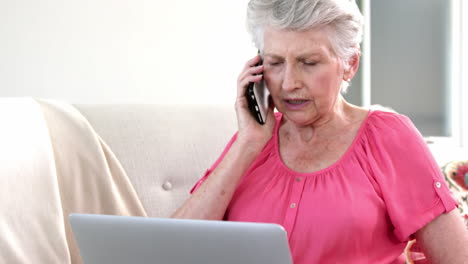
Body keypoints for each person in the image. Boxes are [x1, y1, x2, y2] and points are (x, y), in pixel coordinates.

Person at [172, 0, 468, 263]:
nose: (289, 83)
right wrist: (248, 143)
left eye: (308, 63)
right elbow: (173, 250)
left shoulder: (388, 137)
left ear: (350, 64)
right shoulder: (251, 142)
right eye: (275, 63)